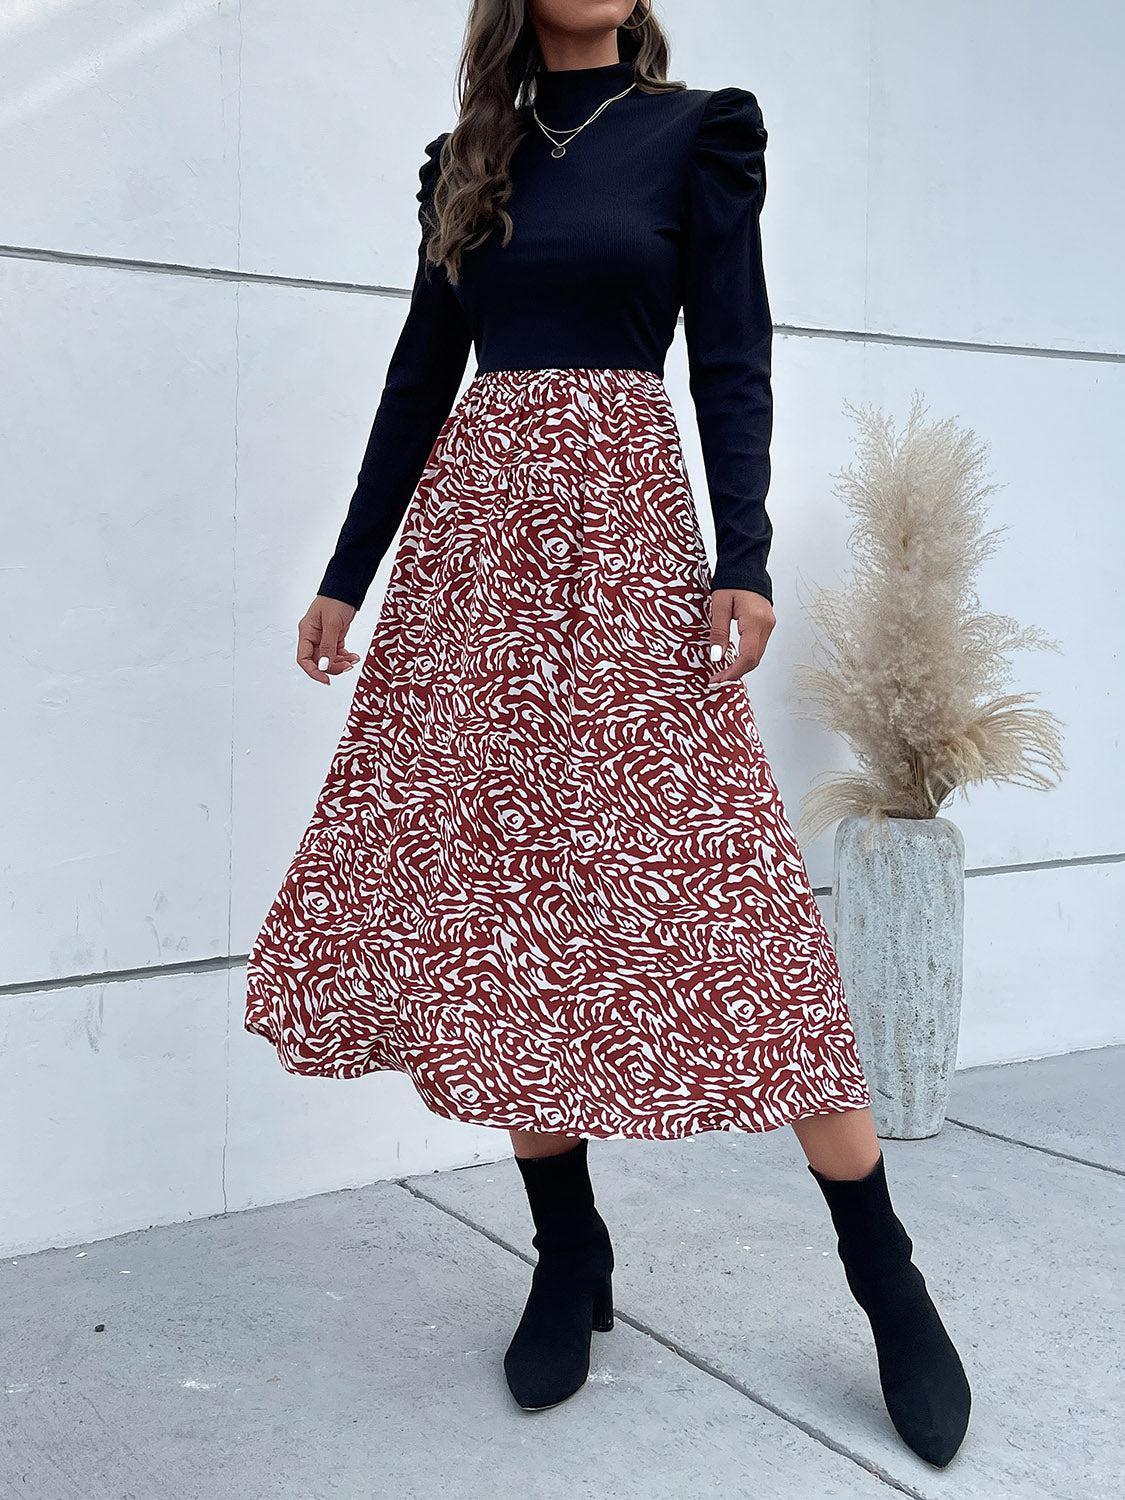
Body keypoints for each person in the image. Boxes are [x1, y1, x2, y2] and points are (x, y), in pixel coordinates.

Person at [244, 0, 970, 1466]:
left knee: (727, 894)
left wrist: (745, 556)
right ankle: (569, 1255)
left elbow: (733, 356)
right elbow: (414, 378)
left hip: (629, 548)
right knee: (502, 902)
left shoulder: (692, 132)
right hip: (474, 562)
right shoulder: (470, 152)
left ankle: (884, 1279)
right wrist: (344, 573)